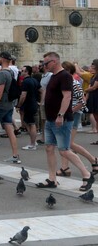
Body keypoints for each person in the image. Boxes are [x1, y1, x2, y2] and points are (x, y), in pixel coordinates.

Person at [37, 52, 94, 191]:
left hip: (61, 120)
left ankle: (87, 174)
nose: (44, 66)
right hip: (51, 120)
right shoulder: (53, 76)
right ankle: (52, 179)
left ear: (54, 62)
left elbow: (67, 97)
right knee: (49, 148)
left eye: (46, 63)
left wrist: (61, 115)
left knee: (64, 150)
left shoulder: (64, 76)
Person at [56, 61, 98, 177]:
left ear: (67, 71)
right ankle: (66, 167)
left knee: (67, 143)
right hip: (69, 114)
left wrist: (69, 111)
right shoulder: (66, 81)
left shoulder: (73, 82)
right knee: (66, 143)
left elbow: (83, 101)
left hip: (73, 114)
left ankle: (93, 160)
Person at [17, 66, 40, 150]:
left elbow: (23, 95)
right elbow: (41, 90)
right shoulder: (34, 80)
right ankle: (33, 141)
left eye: (22, 71)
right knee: (28, 123)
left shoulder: (25, 82)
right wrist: (40, 100)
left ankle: (32, 143)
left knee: (31, 123)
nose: (21, 72)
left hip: (28, 105)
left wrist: (19, 105)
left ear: (27, 72)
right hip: (33, 103)